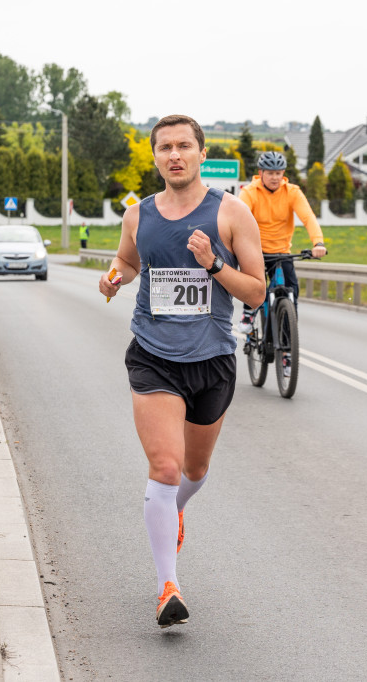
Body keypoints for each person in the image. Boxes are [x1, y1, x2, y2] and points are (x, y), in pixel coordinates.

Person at [98, 114, 265, 629]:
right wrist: (114, 278)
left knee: (193, 472)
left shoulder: (232, 213)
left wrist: (214, 264)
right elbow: (128, 261)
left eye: (184, 146)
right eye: (165, 147)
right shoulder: (138, 215)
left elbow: (256, 291)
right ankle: (167, 586)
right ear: (155, 157)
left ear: (199, 153)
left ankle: (174, 510)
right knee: (165, 469)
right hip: (153, 354)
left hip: (212, 359)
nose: (175, 155)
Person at [236, 151, 327, 331]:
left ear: (283, 173)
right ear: (260, 173)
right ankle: (248, 313)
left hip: (282, 251)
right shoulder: (249, 192)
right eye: (270, 173)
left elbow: (308, 217)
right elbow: (239, 220)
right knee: (254, 286)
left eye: (278, 173)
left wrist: (318, 243)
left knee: (292, 292)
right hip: (256, 251)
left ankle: (288, 339)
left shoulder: (292, 192)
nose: (275, 177)